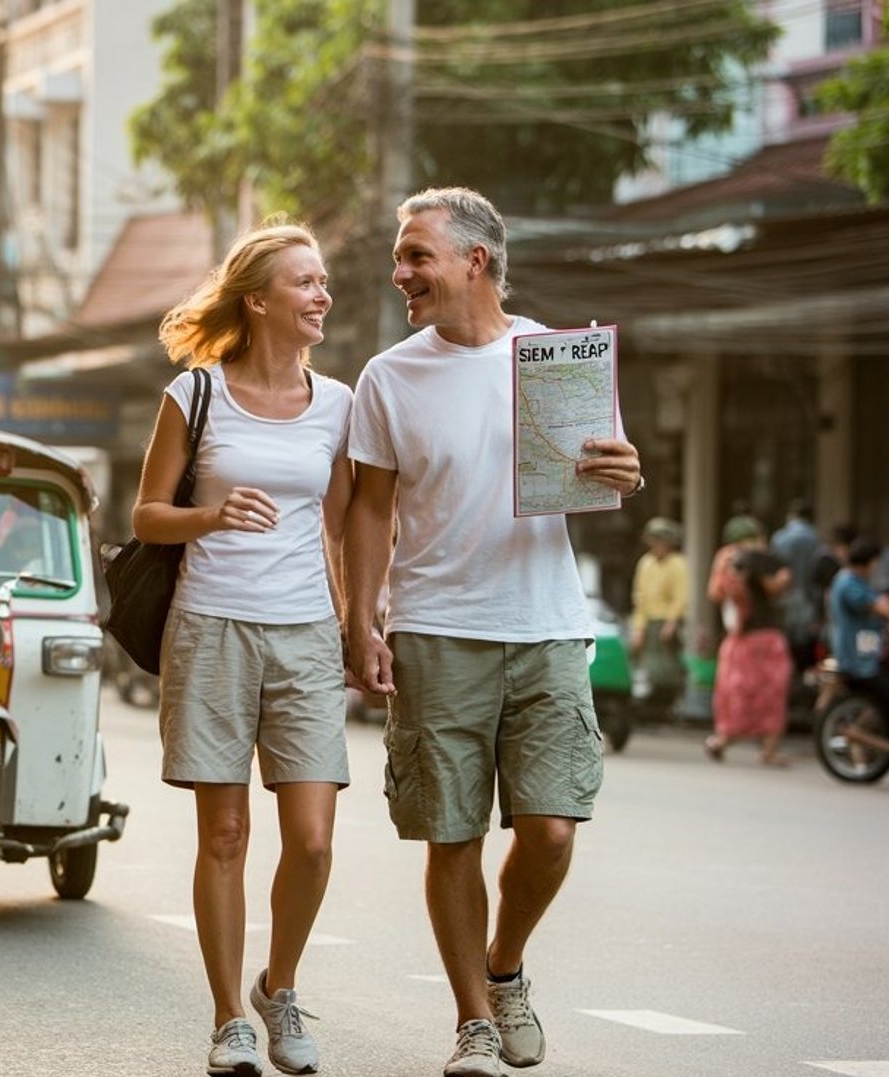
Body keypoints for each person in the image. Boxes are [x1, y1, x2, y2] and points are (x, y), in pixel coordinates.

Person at [344, 187, 643, 1077]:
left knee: (551, 829)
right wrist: (361, 620)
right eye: (400, 258)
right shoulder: (389, 376)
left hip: (545, 624)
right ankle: (473, 1019)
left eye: (417, 256)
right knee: (453, 833)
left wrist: (626, 473)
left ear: (475, 260)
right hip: (436, 628)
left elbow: (608, 472)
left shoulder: (557, 358)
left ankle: (502, 964)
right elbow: (369, 511)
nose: (401, 273)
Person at [132, 218, 353, 1077]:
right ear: (257, 300)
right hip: (212, 625)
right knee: (224, 832)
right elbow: (147, 516)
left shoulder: (338, 403)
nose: (322, 294)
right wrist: (212, 514)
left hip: (305, 633)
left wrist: (358, 624)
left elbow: (342, 525)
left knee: (313, 839)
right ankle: (230, 1016)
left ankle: (278, 985)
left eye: (322, 280)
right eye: (306, 281)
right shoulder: (195, 394)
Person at [704, 515, 794, 766]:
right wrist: (784, 576)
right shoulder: (755, 558)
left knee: (735, 693)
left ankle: (721, 740)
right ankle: (769, 750)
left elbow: (714, 593)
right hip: (764, 635)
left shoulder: (724, 559)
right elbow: (773, 587)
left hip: (736, 638)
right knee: (771, 694)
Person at [828, 539, 889, 737]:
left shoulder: (852, 580)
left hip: (863, 655)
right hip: (858, 660)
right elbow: (882, 608)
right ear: (871, 561)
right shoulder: (849, 584)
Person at [628, 517, 688, 711]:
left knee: (669, 666)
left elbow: (681, 596)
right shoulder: (645, 563)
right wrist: (638, 627)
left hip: (667, 621)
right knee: (648, 666)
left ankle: (672, 705)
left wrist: (671, 622)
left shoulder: (677, 563)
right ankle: (651, 706)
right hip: (649, 622)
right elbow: (639, 597)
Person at [771, 499, 822, 669]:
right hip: (806, 599)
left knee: (782, 648)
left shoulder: (779, 537)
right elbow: (815, 574)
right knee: (803, 649)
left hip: (782, 599)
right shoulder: (814, 539)